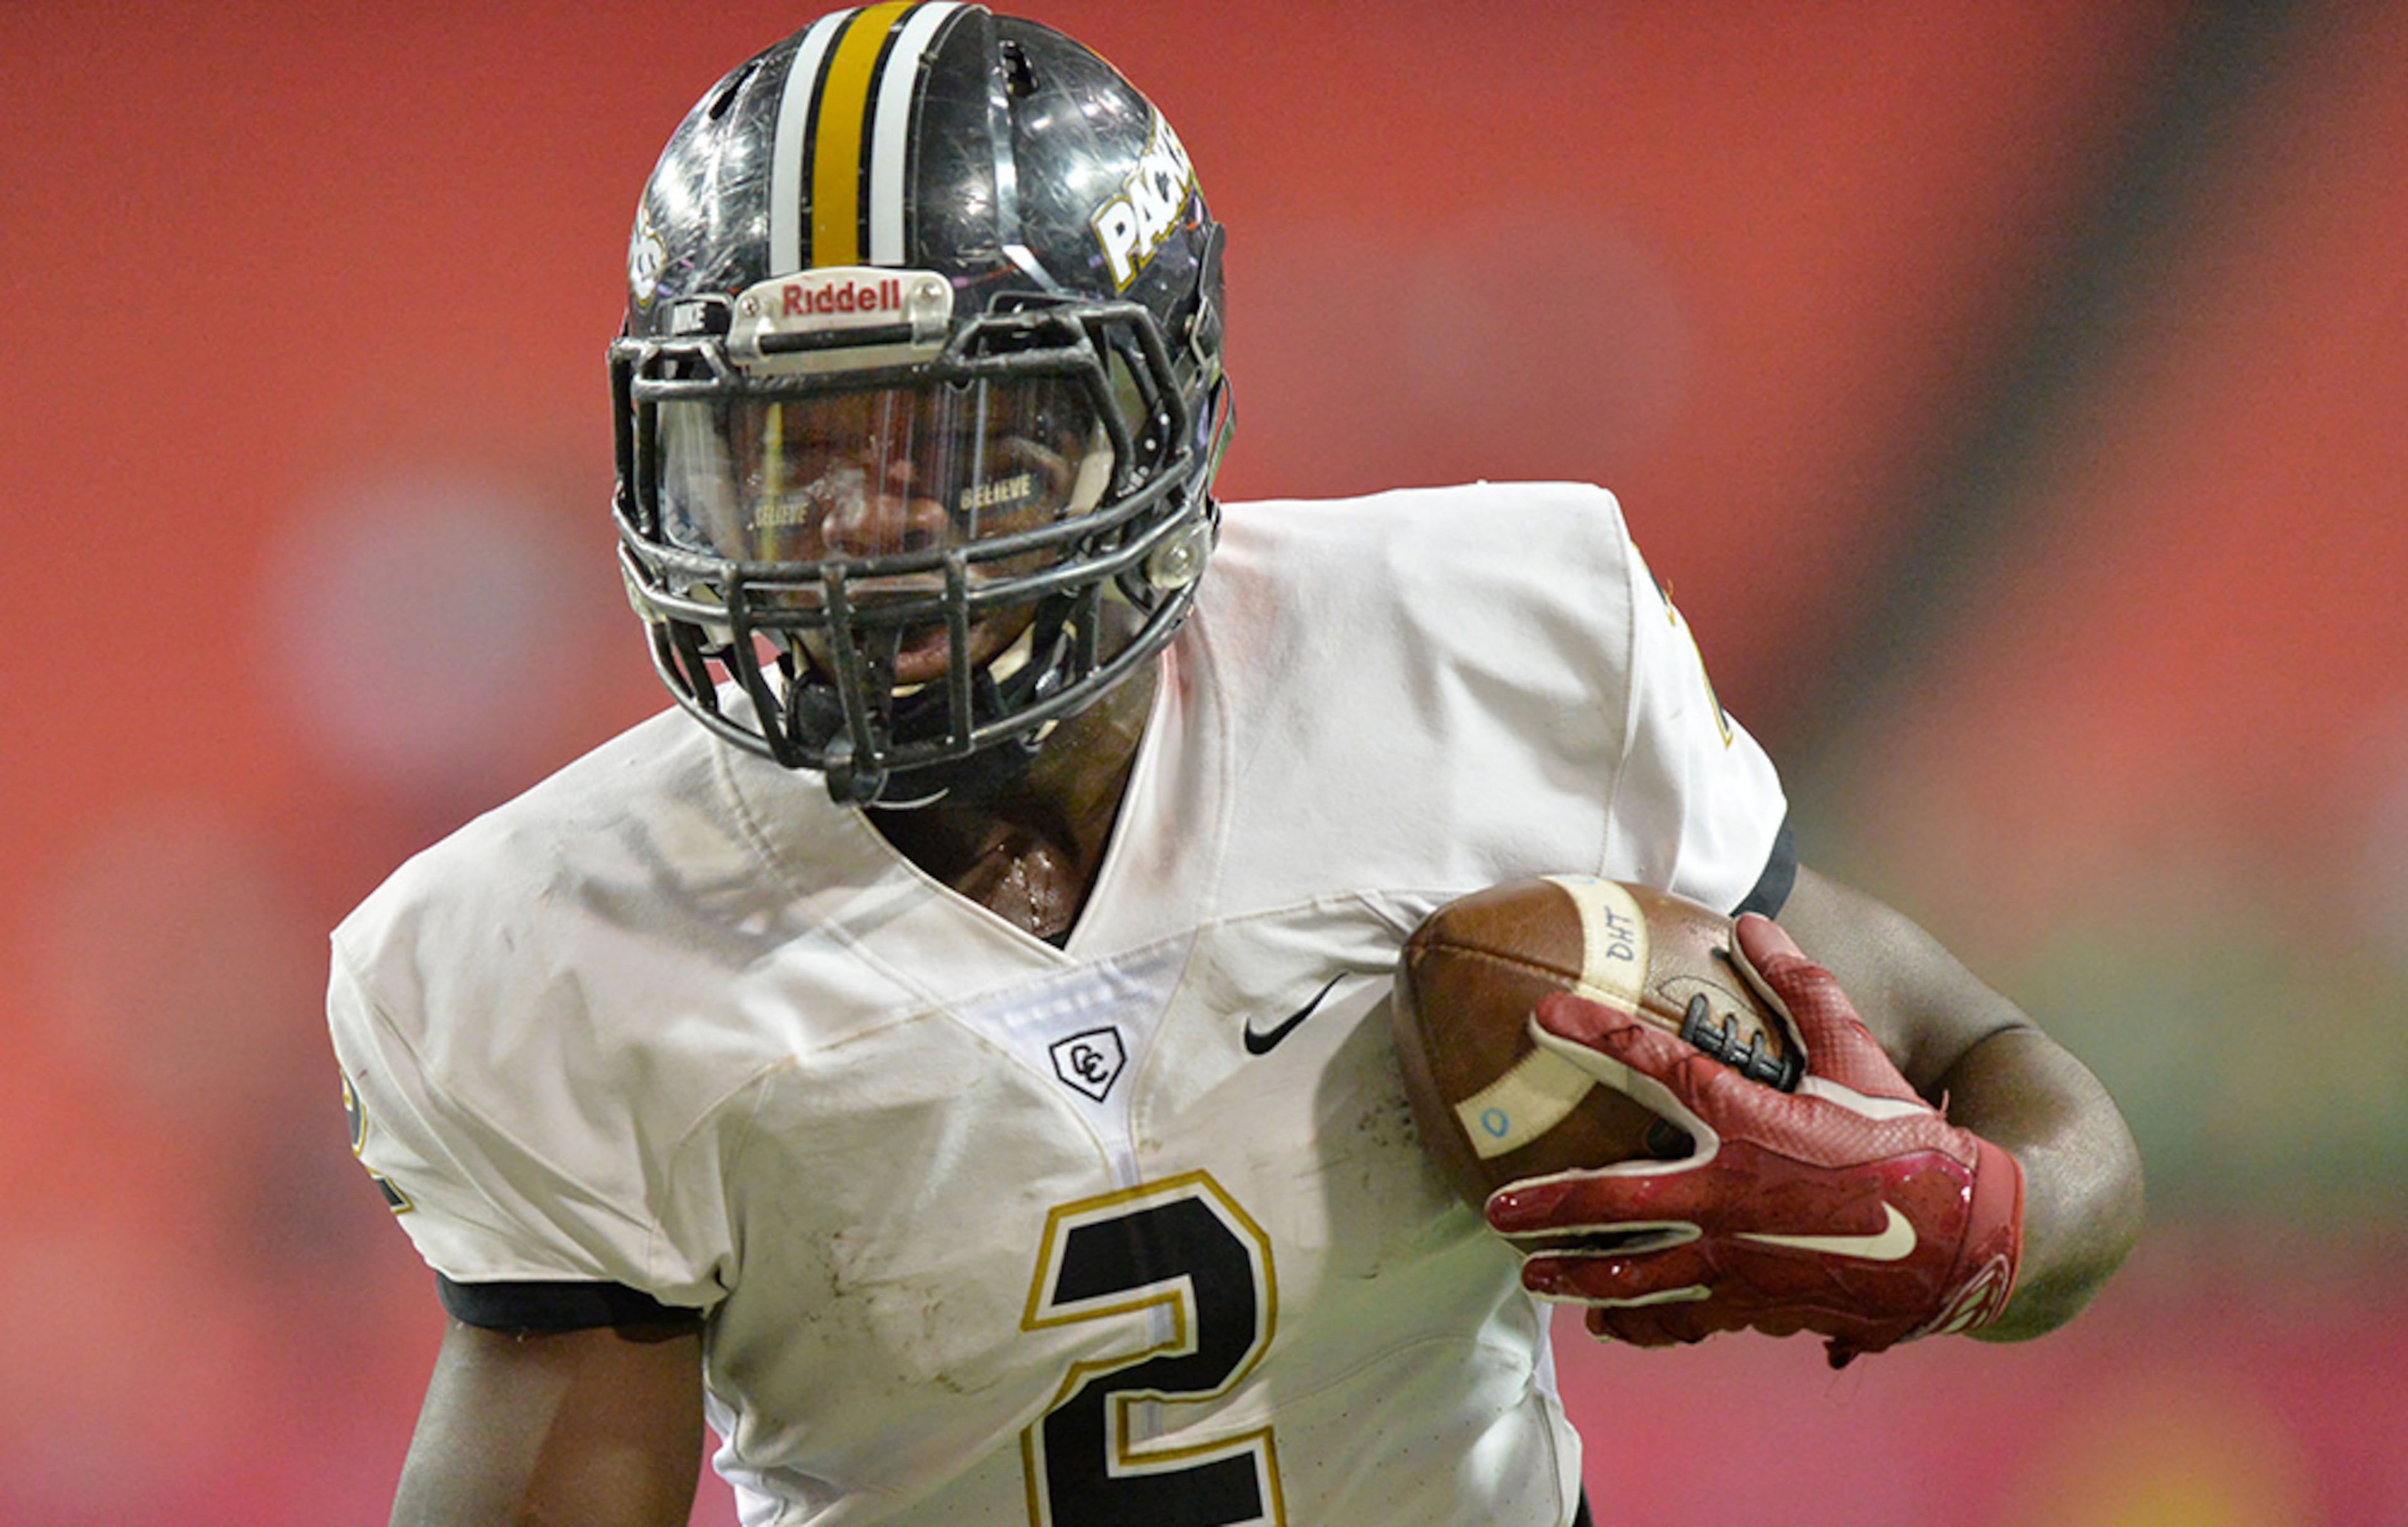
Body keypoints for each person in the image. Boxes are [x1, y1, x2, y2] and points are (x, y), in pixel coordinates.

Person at [327, 7, 2143, 1525]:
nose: (860, 532)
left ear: (1159, 407)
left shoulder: (1479, 646)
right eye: (784, 451)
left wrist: (1976, 1223)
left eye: (955, 442)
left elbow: (2023, 1098)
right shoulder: (550, 940)